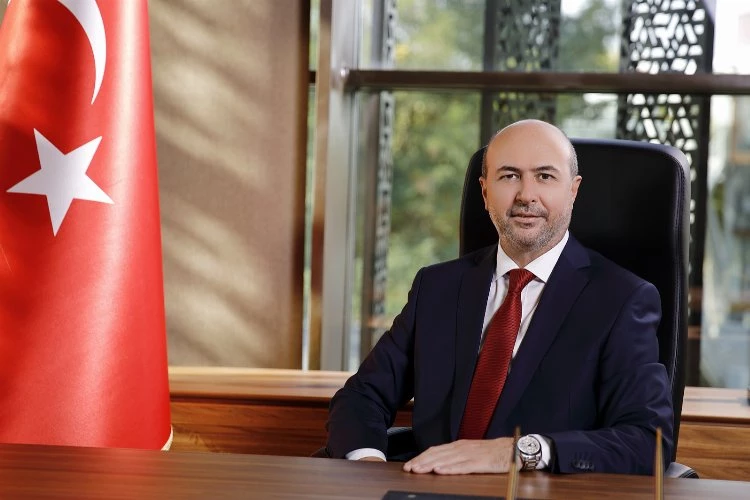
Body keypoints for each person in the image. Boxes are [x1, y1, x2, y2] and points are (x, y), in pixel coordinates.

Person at [325, 119, 673, 475]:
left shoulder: (621, 299)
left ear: (573, 190)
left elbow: (648, 442)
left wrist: (520, 451)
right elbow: (362, 396)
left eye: (545, 176)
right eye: (509, 176)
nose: (526, 195)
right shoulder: (437, 287)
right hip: (428, 489)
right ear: (484, 191)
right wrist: (368, 469)